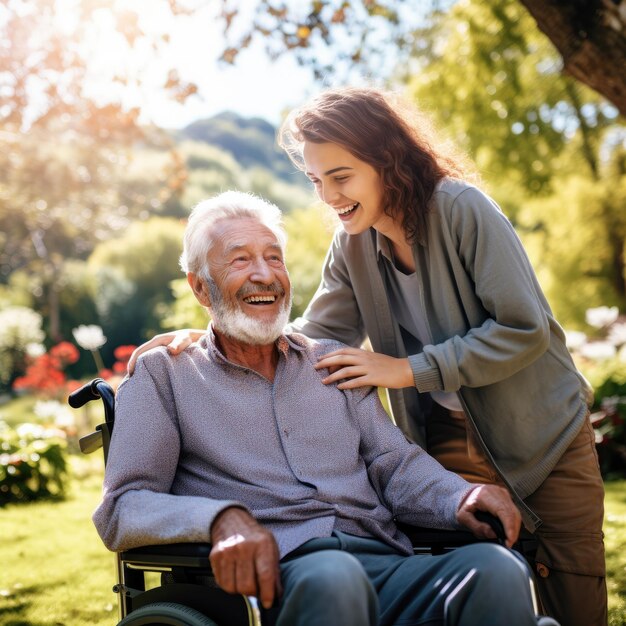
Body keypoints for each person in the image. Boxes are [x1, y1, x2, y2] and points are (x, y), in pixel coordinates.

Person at [128, 88, 606, 626]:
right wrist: (208, 332)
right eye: (316, 181)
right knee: (385, 571)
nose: (329, 195)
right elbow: (306, 333)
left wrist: (405, 371)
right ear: (199, 285)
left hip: (537, 430)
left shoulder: (460, 208)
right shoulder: (349, 245)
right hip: (433, 447)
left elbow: (525, 329)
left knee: (559, 583)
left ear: (385, 160)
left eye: (341, 176)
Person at [95, 191, 545, 626]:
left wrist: (457, 495)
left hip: (383, 562)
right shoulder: (165, 375)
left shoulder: (330, 360)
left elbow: (395, 464)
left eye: (274, 257)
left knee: (495, 569)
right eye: (240, 259)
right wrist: (219, 518)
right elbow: (122, 509)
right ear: (200, 289)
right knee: (335, 577)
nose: (264, 274)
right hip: (273, 579)